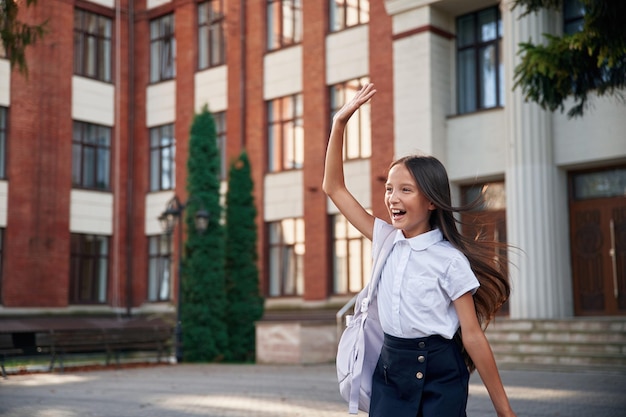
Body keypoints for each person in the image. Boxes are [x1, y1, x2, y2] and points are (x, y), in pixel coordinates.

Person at [323, 82, 516, 417]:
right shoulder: (384, 239)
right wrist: (339, 123)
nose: (392, 198)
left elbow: (472, 337)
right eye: (389, 189)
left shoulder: (450, 261)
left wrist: (505, 411)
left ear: (430, 201)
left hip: (441, 377)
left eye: (405, 190)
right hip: (390, 373)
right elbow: (333, 188)